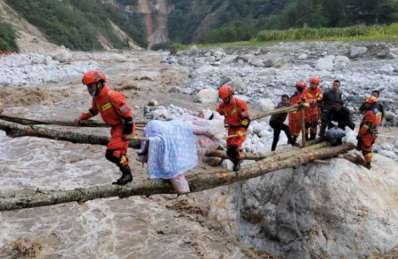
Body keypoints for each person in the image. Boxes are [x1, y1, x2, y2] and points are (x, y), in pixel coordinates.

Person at [75, 69, 135, 185]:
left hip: (123, 127)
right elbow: (93, 110)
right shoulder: (96, 98)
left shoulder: (113, 96)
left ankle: (127, 174)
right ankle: (127, 175)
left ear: (99, 83)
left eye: (90, 86)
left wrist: (127, 133)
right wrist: (81, 117)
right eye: (88, 87)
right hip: (115, 128)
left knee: (111, 153)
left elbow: (128, 116)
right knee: (120, 154)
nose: (89, 90)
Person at [216, 85, 250, 171]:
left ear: (230, 95)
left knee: (234, 146)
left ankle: (237, 162)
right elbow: (216, 114)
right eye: (223, 99)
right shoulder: (222, 105)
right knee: (228, 149)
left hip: (240, 127)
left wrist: (242, 130)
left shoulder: (239, 103)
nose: (224, 100)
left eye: (225, 98)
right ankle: (235, 158)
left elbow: (246, 119)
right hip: (232, 128)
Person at [357, 96, 382, 169]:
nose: (366, 105)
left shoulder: (369, 112)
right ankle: (368, 161)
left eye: (367, 103)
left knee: (366, 148)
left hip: (367, 133)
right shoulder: (377, 111)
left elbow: (366, 125)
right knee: (369, 146)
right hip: (374, 131)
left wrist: (360, 134)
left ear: (371, 104)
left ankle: (368, 163)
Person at [302, 76, 323, 140]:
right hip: (307, 110)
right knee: (306, 125)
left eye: (314, 83)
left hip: (315, 110)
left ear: (317, 84)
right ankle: (305, 138)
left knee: (314, 124)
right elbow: (304, 98)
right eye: (311, 83)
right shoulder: (306, 90)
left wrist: (315, 100)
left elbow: (320, 98)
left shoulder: (319, 90)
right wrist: (310, 101)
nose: (312, 85)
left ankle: (312, 138)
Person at [289, 81, 306, 145]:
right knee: (293, 128)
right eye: (300, 88)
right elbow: (294, 107)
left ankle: (294, 139)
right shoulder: (294, 97)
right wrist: (295, 116)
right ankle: (291, 140)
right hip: (294, 116)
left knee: (298, 127)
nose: (301, 89)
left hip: (300, 115)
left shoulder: (302, 95)